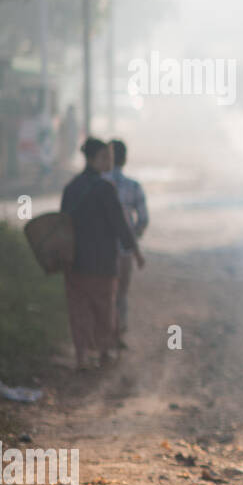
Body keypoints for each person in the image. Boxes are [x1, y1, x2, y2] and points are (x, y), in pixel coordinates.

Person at [60, 137, 144, 371]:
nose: (110, 161)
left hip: (75, 261)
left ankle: (81, 358)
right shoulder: (106, 189)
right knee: (104, 308)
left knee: (79, 310)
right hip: (103, 262)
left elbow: (61, 225)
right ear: (94, 159)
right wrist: (135, 251)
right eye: (106, 157)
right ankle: (105, 354)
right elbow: (120, 225)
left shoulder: (71, 188)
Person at [103, 139, 149, 349]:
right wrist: (133, 238)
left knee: (104, 293)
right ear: (125, 158)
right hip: (124, 249)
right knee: (120, 293)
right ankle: (118, 333)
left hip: (100, 250)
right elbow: (143, 219)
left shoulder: (98, 184)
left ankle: (104, 337)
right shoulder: (133, 186)